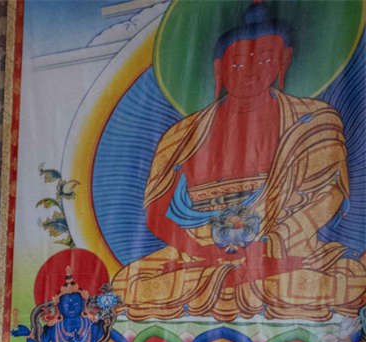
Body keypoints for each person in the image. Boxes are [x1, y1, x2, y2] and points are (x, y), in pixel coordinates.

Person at [112, 1, 366, 323]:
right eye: (238, 62)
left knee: (349, 278)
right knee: (128, 284)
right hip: (200, 250)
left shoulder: (312, 122)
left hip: (285, 248)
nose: (251, 71)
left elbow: (326, 198)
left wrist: (267, 249)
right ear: (219, 68)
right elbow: (156, 214)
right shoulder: (181, 136)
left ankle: (234, 282)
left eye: (266, 59)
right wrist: (204, 252)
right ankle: (233, 280)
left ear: (284, 60)